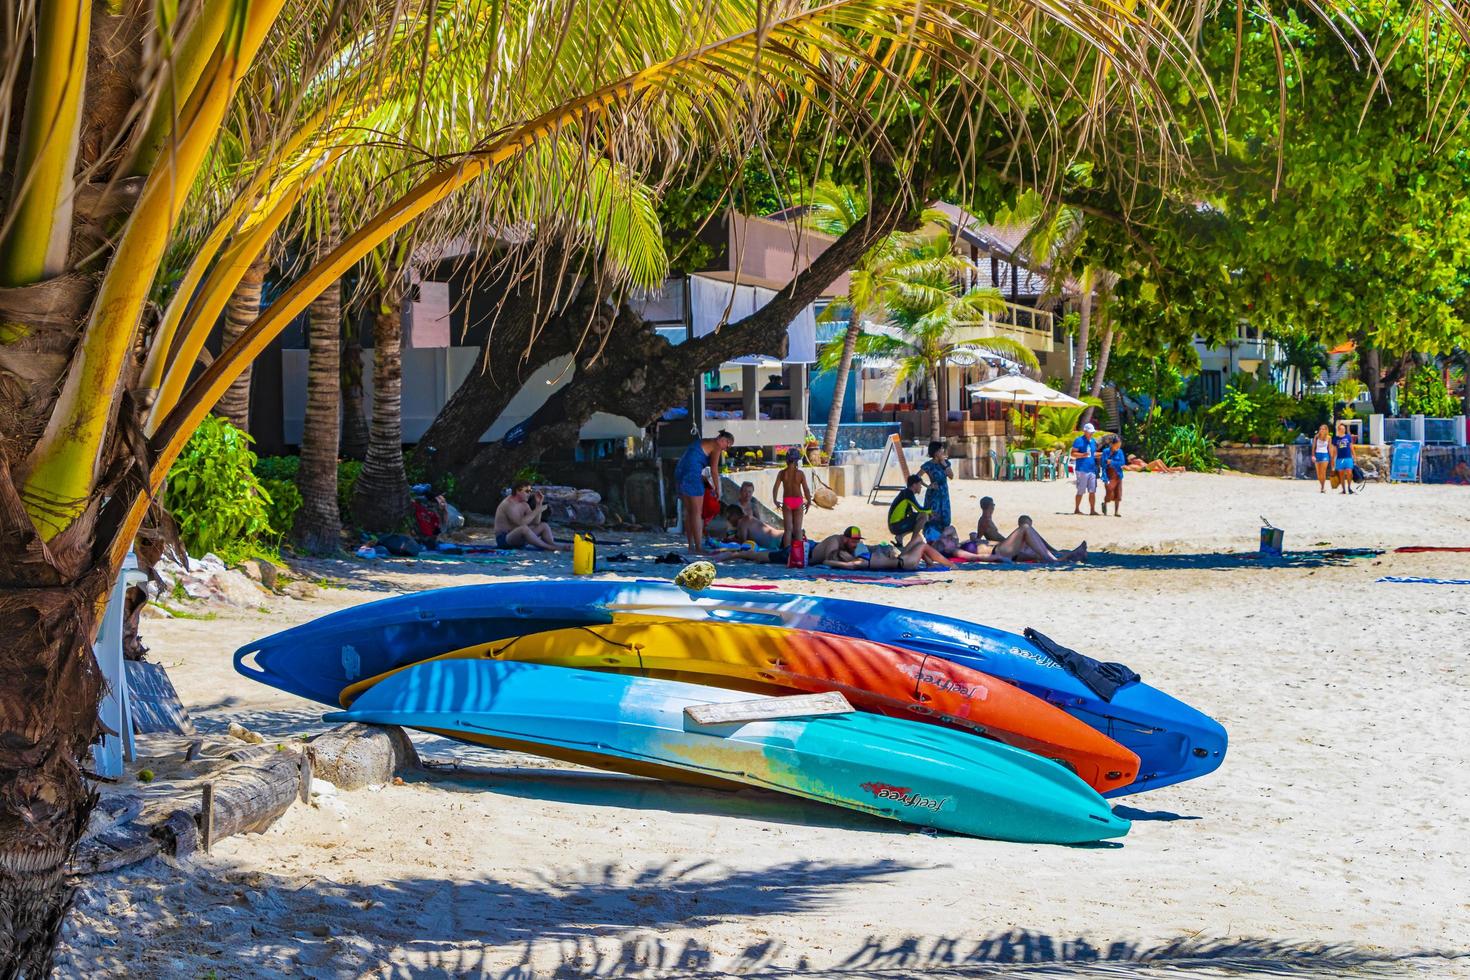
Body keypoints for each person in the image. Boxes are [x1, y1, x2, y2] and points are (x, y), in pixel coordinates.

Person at [674, 429, 734, 553]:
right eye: (727, 445)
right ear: (723, 440)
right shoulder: (716, 446)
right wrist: (718, 489)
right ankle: (698, 548)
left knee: (689, 512)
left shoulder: (705, 441)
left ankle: (691, 546)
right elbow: (714, 471)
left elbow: (693, 459)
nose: (725, 450)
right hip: (692, 474)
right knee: (697, 513)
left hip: (680, 471)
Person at [493, 482, 568, 551]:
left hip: (518, 538)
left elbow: (536, 522)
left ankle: (552, 545)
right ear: (518, 491)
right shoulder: (508, 504)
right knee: (523, 528)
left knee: (544, 525)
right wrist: (537, 510)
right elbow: (520, 523)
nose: (529, 494)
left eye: (530, 491)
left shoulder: (524, 504)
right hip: (505, 539)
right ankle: (549, 547)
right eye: (527, 491)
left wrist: (538, 504)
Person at [771, 448, 812, 547]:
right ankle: (798, 553)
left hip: (787, 501)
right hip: (798, 501)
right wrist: (809, 501)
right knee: (798, 529)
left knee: (788, 530)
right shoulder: (800, 474)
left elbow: (775, 488)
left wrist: (775, 500)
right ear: (797, 460)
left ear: (787, 460)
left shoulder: (782, 473)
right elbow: (806, 489)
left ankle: (787, 552)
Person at [886, 474, 931, 547]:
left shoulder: (906, 493)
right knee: (924, 516)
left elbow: (910, 513)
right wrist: (932, 511)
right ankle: (913, 540)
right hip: (895, 526)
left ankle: (900, 536)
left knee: (921, 519)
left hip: (895, 525)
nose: (921, 487)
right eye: (919, 484)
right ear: (914, 485)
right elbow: (919, 509)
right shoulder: (908, 493)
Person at [920, 441, 952, 541]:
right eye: (940, 449)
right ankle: (932, 538)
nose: (942, 451)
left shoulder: (946, 463)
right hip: (934, 495)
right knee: (934, 517)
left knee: (945, 516)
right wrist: (928, 486)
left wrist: (944, 464)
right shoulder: (928, 465)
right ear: (935, 452)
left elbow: (951, 476)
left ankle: (943, 538)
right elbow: (916, 477)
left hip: (944, 494)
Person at [1071, 422, 1100, 515]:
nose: (1092, 433)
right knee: (1081, 490)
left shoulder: (1093, 441)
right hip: (1082, 469)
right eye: (1090, 432)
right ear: (1085, 431)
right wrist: (1083, 455)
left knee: (1092, 490)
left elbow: (1093, 454)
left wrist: (1103, 454)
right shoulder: (1079, 440)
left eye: (1092, 432)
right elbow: (1073, 454)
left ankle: (1092, 510)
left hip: (1092, 469)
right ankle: (1077, 509)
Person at [1100, 436, 1126, 517]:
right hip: (1108, 475)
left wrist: (1111, 462)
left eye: (1119, 446)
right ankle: (1105, 503)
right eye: (1117, 445)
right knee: (1109, 492)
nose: (1118, 447)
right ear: (1112, 444)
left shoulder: (1120, 452)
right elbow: (1103, 464)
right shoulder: (1105, 451)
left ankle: (1116, 512)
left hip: (1118, 475)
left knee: (1118, 493)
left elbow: (1122, 463)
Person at [1331, 421, 1355, 495]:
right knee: (1341, 474)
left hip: (1348, 458)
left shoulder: (1348, 437)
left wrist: (1354, 455)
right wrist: (1332, 459)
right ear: (1338, 430)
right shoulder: (1335, 438)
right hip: (1340, 459)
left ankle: (1349, 488)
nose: (1343, 430)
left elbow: (1351, 446)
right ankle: (1343, 490)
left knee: (1349, 473)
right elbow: (1334, 450)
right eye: (1341, 429)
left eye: (1344, 428)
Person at [1311, 423, 1332, 493]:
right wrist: (1313, 455)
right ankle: (1321, 485)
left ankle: (1322, 487)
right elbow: (1313, 447)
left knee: (1323, 472)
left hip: (1325, 455)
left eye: (1323, 429)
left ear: (1326, 430)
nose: (1321, 430)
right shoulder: (1316, 437)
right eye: (1320, 429)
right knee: (1318, 473)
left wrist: (1331, 458)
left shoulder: (1329, 437)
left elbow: (1329, 448)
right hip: (1317, 454)